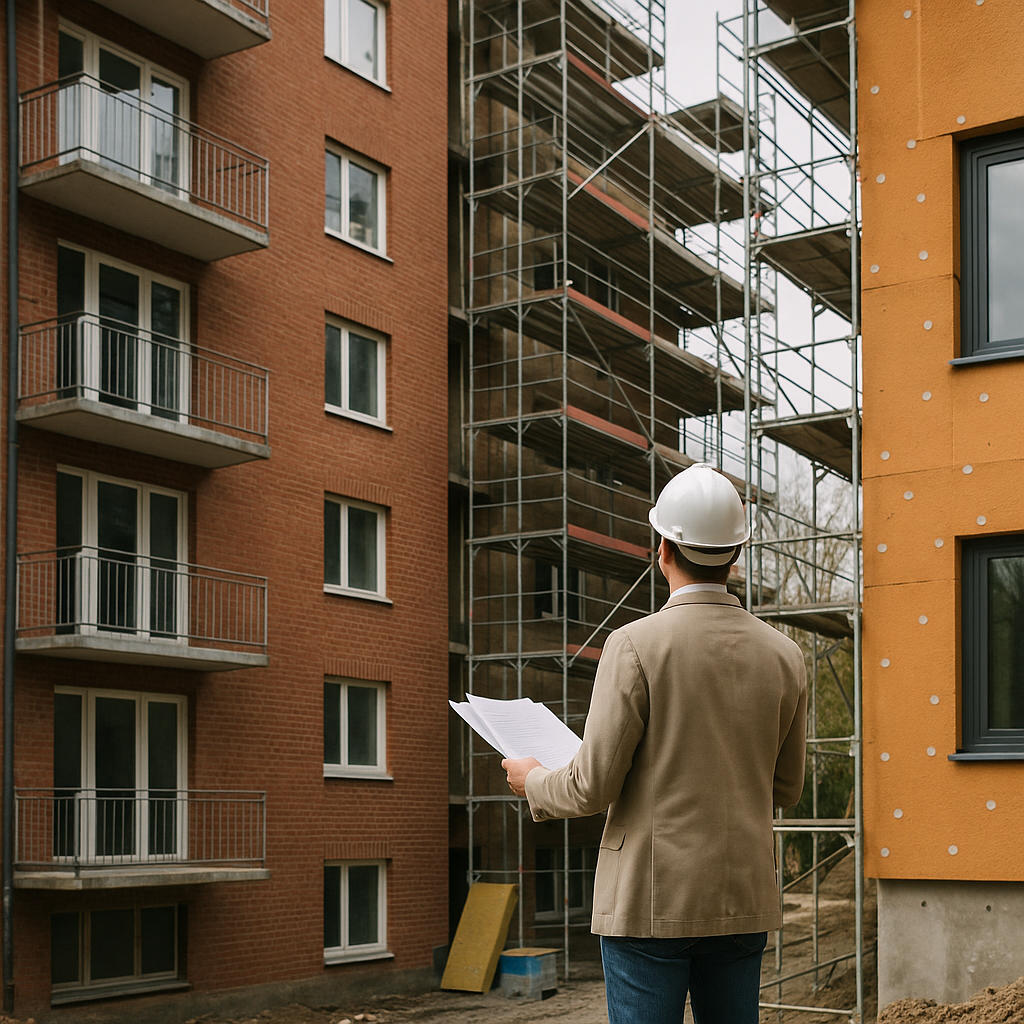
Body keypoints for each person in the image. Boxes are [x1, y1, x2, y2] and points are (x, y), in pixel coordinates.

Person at [502, 462, 807, 1024]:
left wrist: (532, 780)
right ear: (736, 554)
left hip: (649, 901)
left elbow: (590, 787)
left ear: (661, 548)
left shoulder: (633, 645)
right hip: (742, 900)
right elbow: (785, 788)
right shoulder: (786, 656)